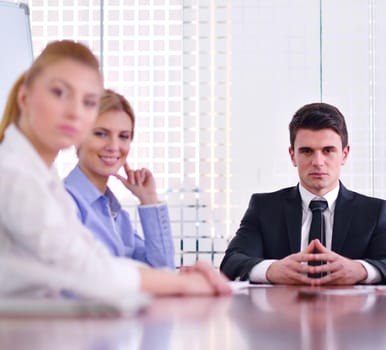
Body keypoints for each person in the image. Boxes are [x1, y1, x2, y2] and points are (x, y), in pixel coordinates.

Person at [0, 40, 231, 299]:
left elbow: (107, 261)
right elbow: (85, 270)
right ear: (24, 97)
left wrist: (171, 275)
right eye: (59, 92)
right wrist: (181, 284)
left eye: (88, 102)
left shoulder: (49, 180)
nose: (75, 111)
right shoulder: (15, 175)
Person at [220, 102, 386, 285]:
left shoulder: (373, 211)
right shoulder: (264, 208)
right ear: (293, 155)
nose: (318, 162)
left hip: (349, 315)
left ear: (345, 154)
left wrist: (359, 270)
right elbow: (231, 263)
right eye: (307, 151)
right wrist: (272, 270)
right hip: (282, 313)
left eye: (328, 151)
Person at [64, 89, 174, 269]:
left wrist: (149, 199)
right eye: (100, 133)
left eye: (123, 136)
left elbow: (163, 269)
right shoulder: (64, 203)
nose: (114, 146)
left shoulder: (116, 215)